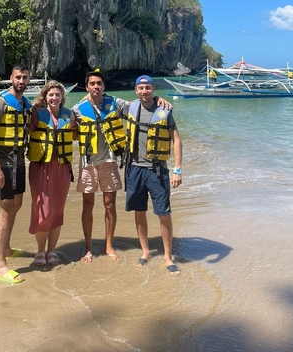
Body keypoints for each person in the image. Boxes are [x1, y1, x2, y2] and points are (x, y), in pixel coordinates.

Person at [73, 69, 171, 263]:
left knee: (109, 204)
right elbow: (70, 130)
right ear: (87, 87)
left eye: (99, 83)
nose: (96, 87)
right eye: (92, 84)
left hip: (109, 161)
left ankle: (109, 245)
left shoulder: (115, 103)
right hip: (88, 163)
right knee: (88, 205)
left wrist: (160, 98)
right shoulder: (77, 108)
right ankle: (88, 246)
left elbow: (142, 104)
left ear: (103, 86)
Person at [124, 75, 182, 274]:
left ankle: (167, 256)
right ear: (135, 90)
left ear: (153, 89)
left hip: (157, 170)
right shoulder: (129, 108)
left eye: (147, 88)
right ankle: (145, 251)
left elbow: (177, 140)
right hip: (135, 169)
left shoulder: (164, 110)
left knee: (164, 214)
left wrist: (177, 170)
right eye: (140, 88)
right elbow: (101, 100)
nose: (144, 92)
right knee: (139, 212)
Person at [0, 64, 32, 284]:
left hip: (19, 162)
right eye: (18, 77)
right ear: (11, 78)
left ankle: (8, 248)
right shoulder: (0, 102)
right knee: (6, 209)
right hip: (3, 163)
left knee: (16, 205)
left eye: (25, 78)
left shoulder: (26, 103)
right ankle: (0, 266)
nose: (21, 81)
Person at [28, 81, 77, 267]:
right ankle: (40, 250)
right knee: (43, 210)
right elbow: (24, 131)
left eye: (57, 95)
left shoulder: (69, 114)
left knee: (57, 211)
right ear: (45, 97)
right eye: (51, 95)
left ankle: (51, 251)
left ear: (62, 97)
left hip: (62, 167)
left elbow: (78, 134)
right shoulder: (36, 115)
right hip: (41, 167)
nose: (54, 98)